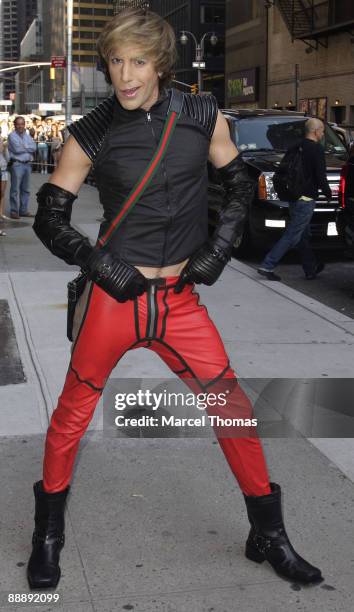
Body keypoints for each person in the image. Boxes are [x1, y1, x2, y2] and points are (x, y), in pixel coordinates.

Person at [27, 7, 323, 590]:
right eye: (115, 61)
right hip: (115, 300)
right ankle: (48, 534)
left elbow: (239, 183)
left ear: (160, 64)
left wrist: (218, 249)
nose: (125, 75)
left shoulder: (202, 113)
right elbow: (50, 217)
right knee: (72, 415)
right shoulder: (90, 130)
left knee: (233, 409)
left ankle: (268, 533)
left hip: (180, 300)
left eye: (137, 61)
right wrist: (98, 263)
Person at [257, 117, 332, 281]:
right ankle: (268, 264)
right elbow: (320, 175)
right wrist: (328, 193)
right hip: (306, 198)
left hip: (293, 196)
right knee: (293, 234)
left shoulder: (295, 147)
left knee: (302, 234)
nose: (323, 134)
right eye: (322, 131)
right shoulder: (316, 149)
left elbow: (284, 171)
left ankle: (310, 268)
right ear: (316, 131)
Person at [7, 116, 36, 219]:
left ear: (24, 125)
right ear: (14, 125)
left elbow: (34, 147)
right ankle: (14, 211)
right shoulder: (11, 136)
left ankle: (23, 210)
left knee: (26, 189)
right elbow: (17, 149)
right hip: (17, 164)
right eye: (18, 124)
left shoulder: (27, 135)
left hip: (27, 165)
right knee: (15, 189)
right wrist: (27, 147)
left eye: (22, 124)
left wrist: (24, 146)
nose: (20, 126)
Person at [0, 127, 10, 234]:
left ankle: (1, 213)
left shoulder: (3, 142)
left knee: (2, 193)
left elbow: (8, 158)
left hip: (3, 170)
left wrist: (6, 148)